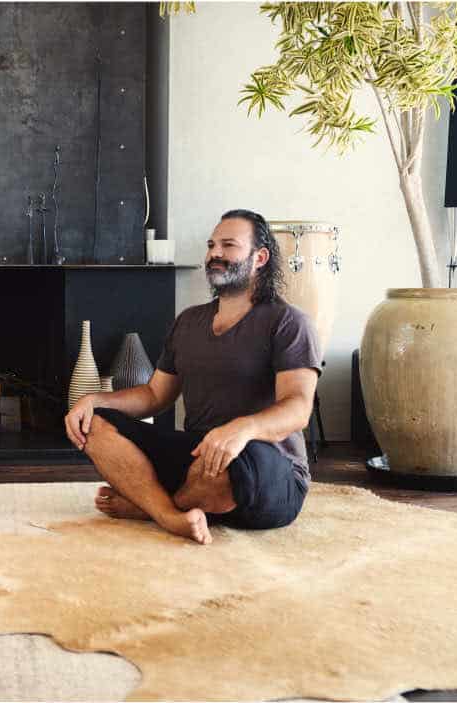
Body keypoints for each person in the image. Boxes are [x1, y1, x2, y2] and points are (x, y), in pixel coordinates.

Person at [64, 209, 321, 544]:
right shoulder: (188, 322)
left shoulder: (288, 322)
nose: (215, 253)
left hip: (268, 471)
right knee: (95, 424)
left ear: (260, 258)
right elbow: (155, 396)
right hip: (198, 461)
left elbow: (298, 407)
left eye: (229, 245)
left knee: (237, 462)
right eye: (212, 245)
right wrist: (94, 400)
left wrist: (243, 429)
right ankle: (172, 515)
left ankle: (151, 507)